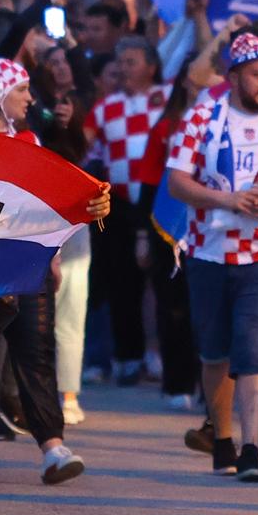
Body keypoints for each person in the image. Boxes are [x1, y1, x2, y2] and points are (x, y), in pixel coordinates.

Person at [167, 33, 258, 481]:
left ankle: (251, 447)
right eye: (256, 74)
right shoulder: (202, 118)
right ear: (233, 77)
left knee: (253, 346)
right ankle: (223, 439)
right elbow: (176, 182)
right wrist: (227, 200)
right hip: (208, 252)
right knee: (215, 353)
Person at [0, 59, 88, 486]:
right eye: (21, 90)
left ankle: (53, 446)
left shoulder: (30, 141)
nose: (30, 99)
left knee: (36, 353)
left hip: (27, 265)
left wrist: (52, 255)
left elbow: (42, 205)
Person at [83, 35, 167, 385]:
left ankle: (160, 355)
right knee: (123, 282)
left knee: (163, 284)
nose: (122, 68)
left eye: (131, 62)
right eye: (119, 62)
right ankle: (128, 357)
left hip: (159, 203)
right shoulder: (105, 108)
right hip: (118, 208)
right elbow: (83, 147)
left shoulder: (166, 100)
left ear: (151, 66)